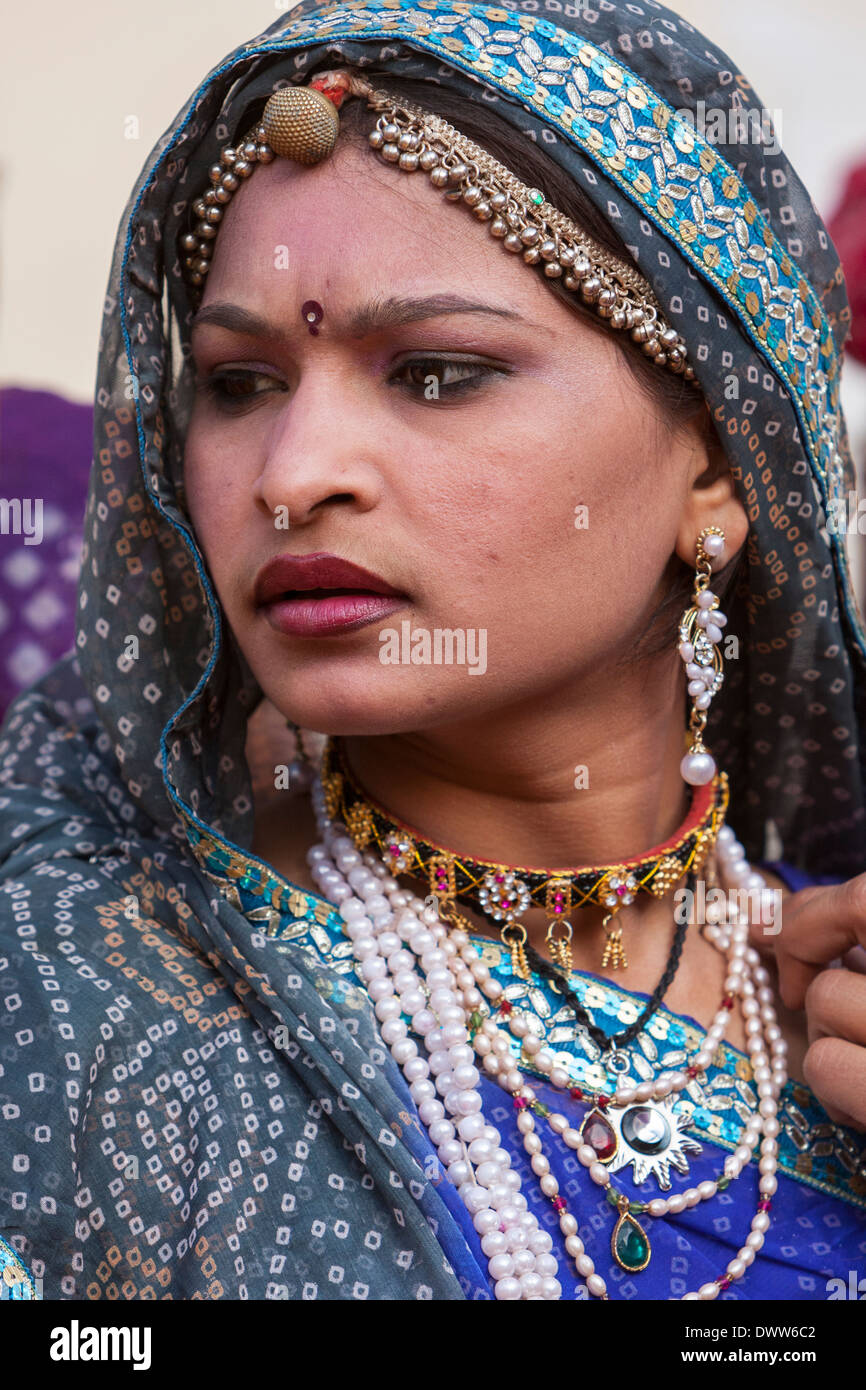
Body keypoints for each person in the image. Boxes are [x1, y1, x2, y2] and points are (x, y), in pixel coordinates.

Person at [1, 0, 864, 1303]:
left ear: (716, 465)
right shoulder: (77, 990)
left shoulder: (829, 987)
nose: (293, 476)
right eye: (238, 383)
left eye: (436, 373)